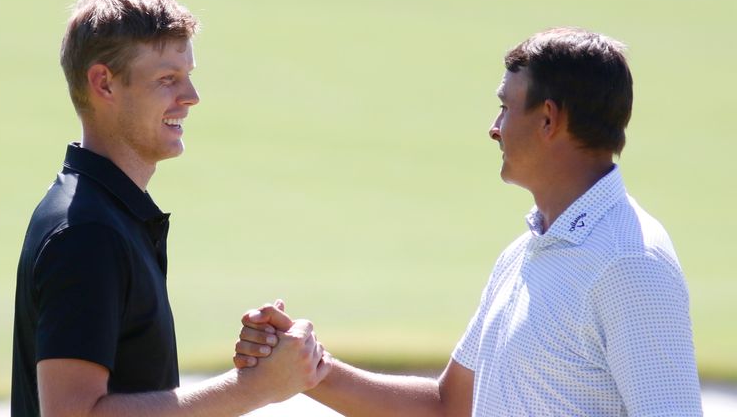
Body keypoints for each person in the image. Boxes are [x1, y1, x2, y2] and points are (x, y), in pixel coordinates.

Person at [236, 27, 703, 416]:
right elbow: (448, 406)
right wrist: (307, 368)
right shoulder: (527, 252)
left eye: (505, 105)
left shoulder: (630, 264)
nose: (494, 127)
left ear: (547, 121)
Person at [11, 0, 329, 416]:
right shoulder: (88, 234)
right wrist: (254, 389)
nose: (191, 96)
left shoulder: (104, 214)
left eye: (189, 74)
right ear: (104, 83)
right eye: (167, 79)